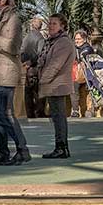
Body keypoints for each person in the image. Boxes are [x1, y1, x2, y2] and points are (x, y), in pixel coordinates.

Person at [0, 0, 31, 166]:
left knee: (4, 115)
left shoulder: (13, 20)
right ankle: (3, 152)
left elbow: (13, 46)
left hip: (7, 73)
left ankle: (22, 150)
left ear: (7, 1)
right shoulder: (1, 20)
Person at [37, 13, 76, 159]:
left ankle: (61, 148)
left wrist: (42, 80)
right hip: (53, 85)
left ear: (62, 26)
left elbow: (55, 65)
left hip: (58, 85)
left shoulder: (63, 43)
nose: (50, 26)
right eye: (49, 23)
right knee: (56, 117)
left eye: (54, 23)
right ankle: (60, 147)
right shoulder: (52, 42)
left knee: (59, 118)